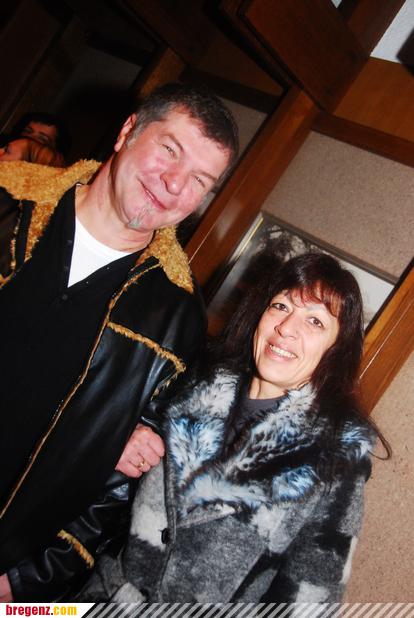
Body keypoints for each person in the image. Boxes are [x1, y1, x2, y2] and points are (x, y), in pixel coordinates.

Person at [0, 83, 238, 602]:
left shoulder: (178, 319)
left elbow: (119, 491)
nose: (174, 184)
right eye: (169, 149)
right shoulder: (9, 202)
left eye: (200, 180)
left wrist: (22, 583)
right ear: (128, 131)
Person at [86, 252, 389, 603]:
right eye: (280, 306)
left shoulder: (334, 458)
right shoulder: (190, 387)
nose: (286, 328)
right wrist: (117, 442)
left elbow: (311, 596)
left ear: (335, 351)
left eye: (315, 321)